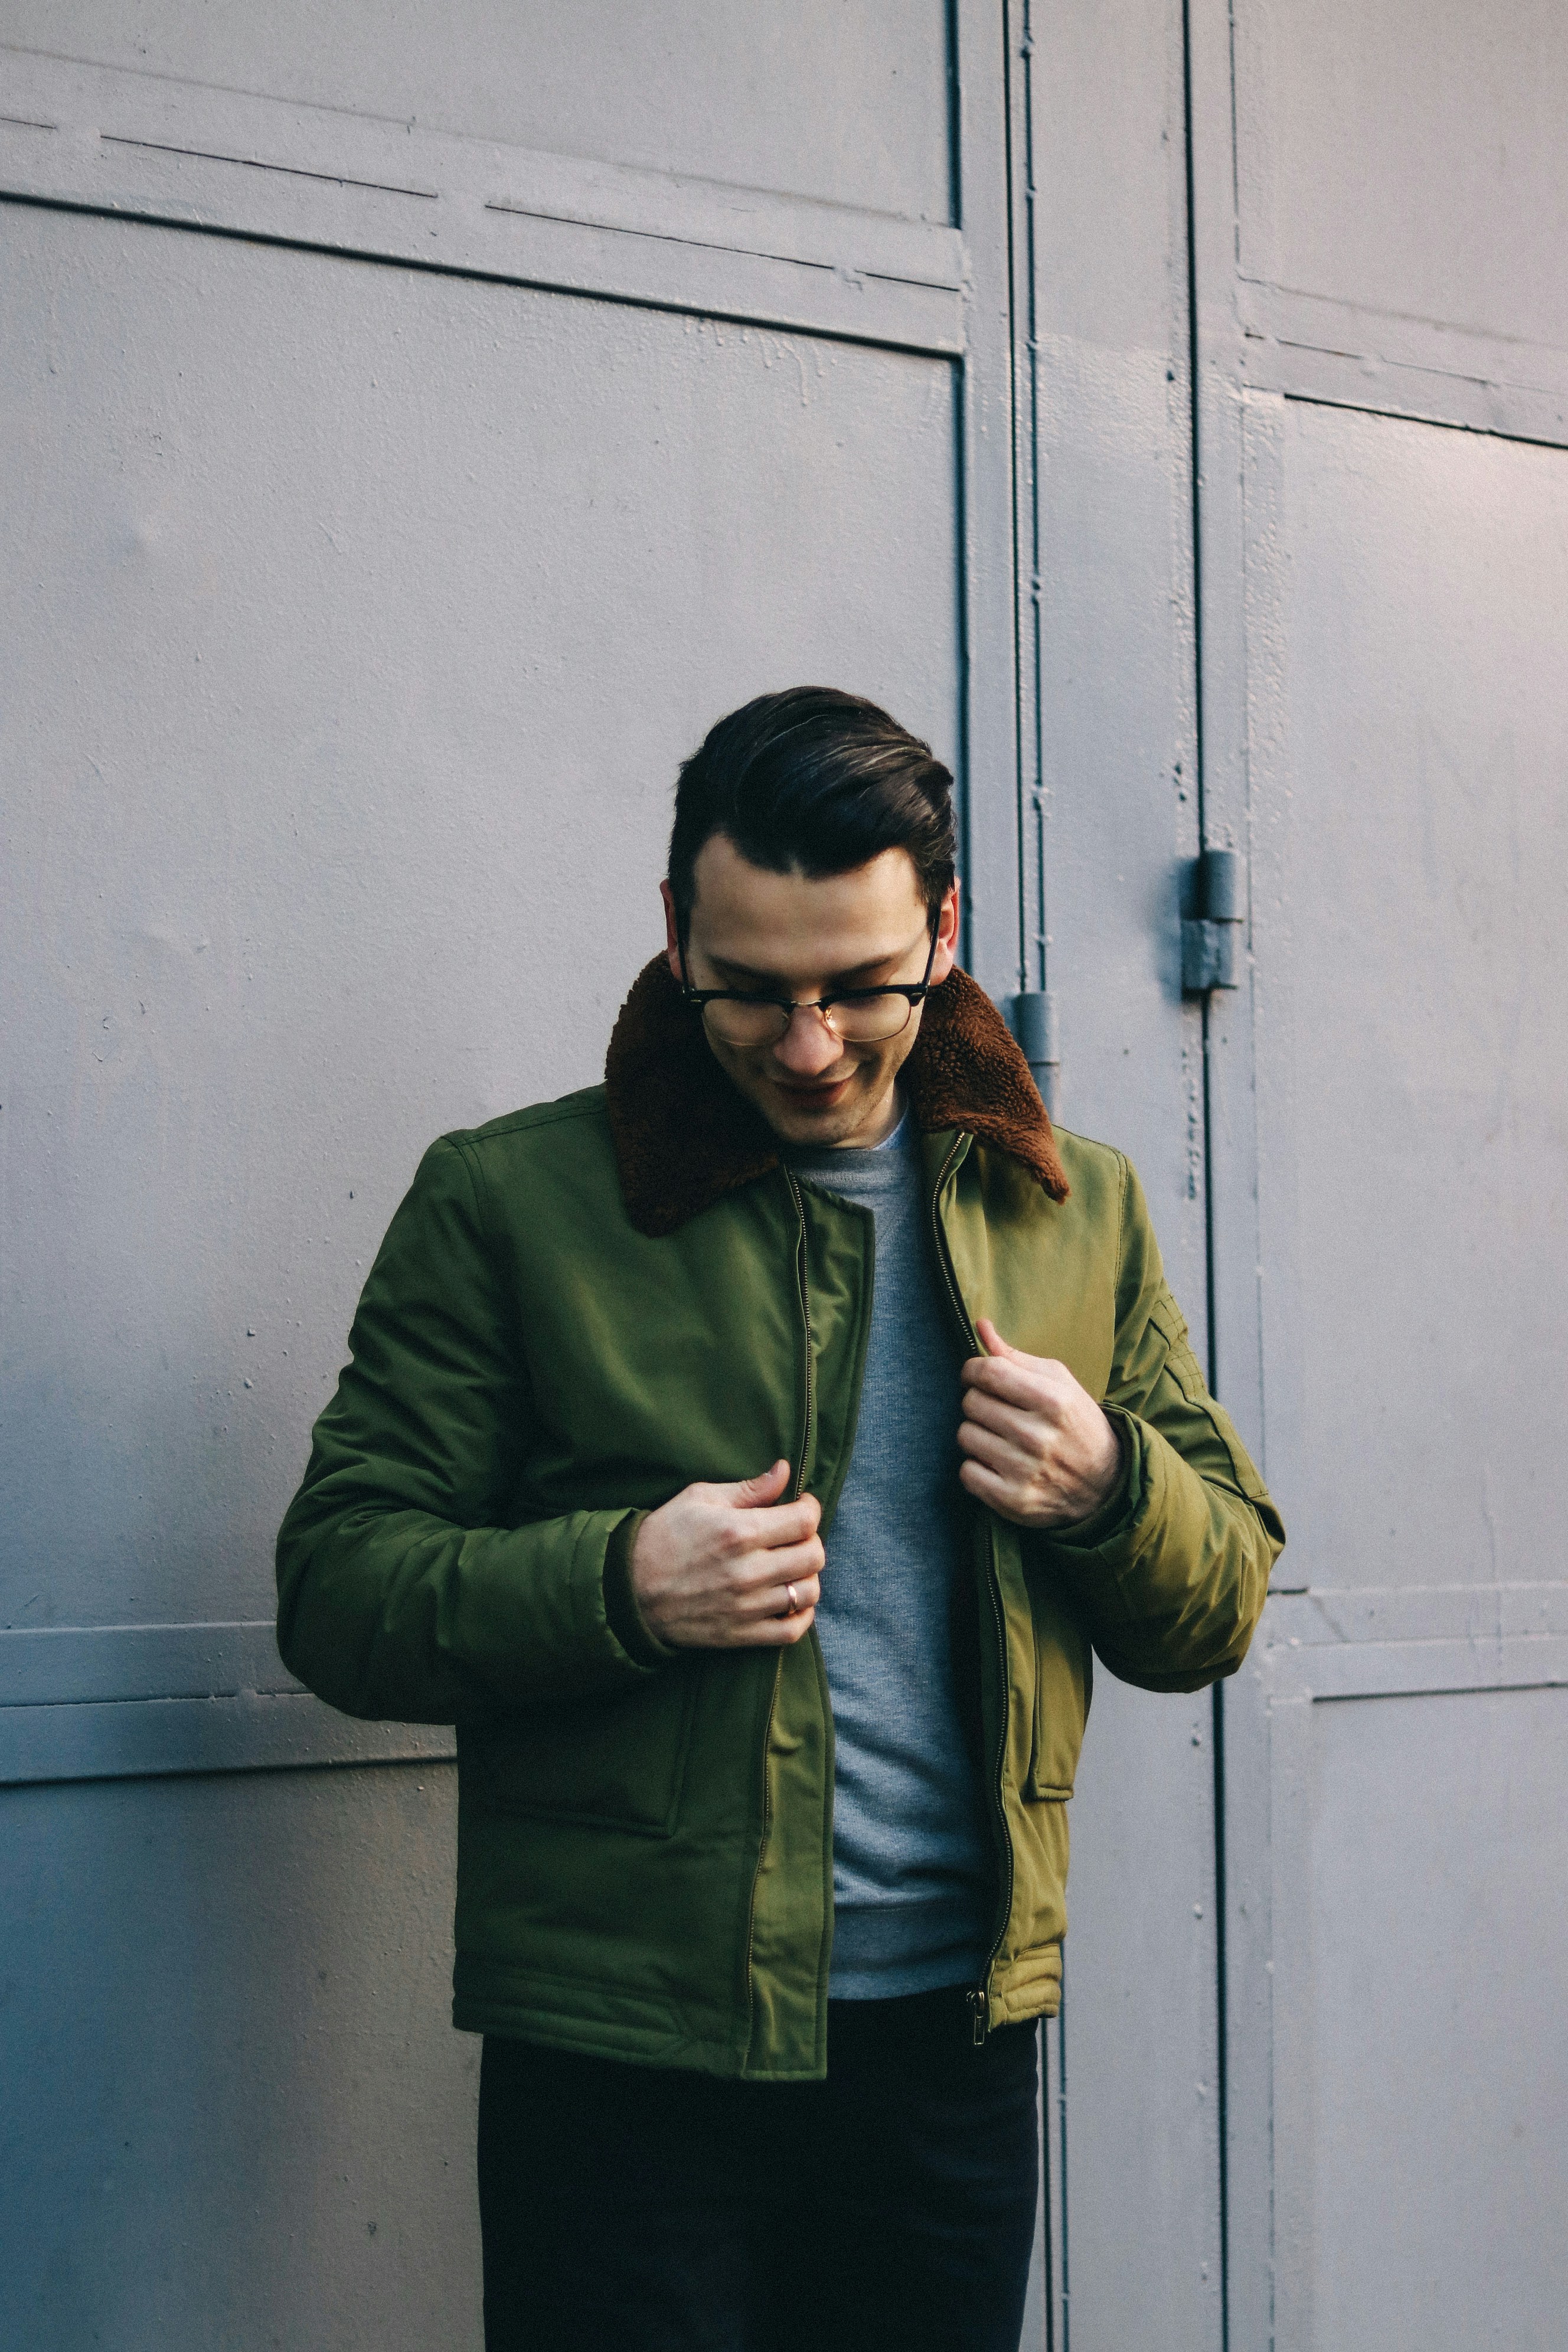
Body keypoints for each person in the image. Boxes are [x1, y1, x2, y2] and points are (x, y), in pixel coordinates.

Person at [276, 686, 1285, 2352]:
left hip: (950, 2051)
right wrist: (621, 1583)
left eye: (860, 988)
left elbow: (1221, 1603)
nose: (806, 1046)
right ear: (676, 932)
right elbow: (337, 1591)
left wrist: (1111, 1483)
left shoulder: (1074, 1205)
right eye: (748, 988)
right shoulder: (509, 1202)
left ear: (944, 933)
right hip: (624, 2058)